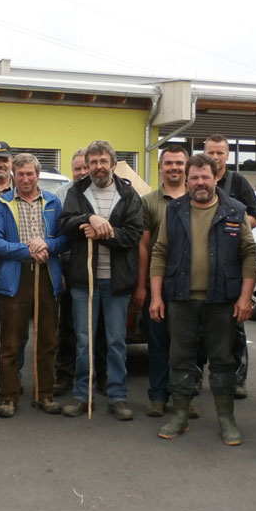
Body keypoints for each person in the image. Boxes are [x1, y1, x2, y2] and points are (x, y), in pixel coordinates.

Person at [149, 154, 256, 444]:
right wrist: (156, 297)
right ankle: (180, 416)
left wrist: (245, 297)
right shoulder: (174, 210)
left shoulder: (235, 210)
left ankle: (226, 419)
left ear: (215, 178)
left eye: (205, 177)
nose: (199, 182)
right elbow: (159, 251)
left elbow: (249, 254)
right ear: (187, 179)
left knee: (223, 361)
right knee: (179, 359)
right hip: (181, 299)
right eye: (194, 177)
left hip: (222, 301)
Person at [59, 140, 143, 420]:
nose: (98, 167)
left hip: (116, 281)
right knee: (84, 341)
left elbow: (133, 235)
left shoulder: (129, 195)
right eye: (93, 162)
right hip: (85, 281)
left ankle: (118, 396)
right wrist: (90, 218)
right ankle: (83, 395)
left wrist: (105, 234)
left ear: (112, 163)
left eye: (102, 161)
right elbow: (66, 223)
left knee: (117, 341)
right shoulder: (77, 191)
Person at [0, 153, 68, 418]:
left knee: (46, 339)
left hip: (47, 277)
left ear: (37, 175)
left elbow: (64, 240)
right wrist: (26, 250)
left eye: (29, 174)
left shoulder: (53, 202)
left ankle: (44, 394)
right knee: (11, 340)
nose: (24, 179)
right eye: (20, 174)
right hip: (15, 277)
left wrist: (47, 244)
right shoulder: (3, 203)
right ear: (13, 176)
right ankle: (8, 396)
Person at [202, 134, 256, 400]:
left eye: (220, 153)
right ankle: (196, 375)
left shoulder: (238, 182)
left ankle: (238, 378)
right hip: (200, 263)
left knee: (235, 325)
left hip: (230, 262)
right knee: (199, 324)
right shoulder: (196, 177)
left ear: (228, 156)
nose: (215, 158)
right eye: (211, 153)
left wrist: (231, 224)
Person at [134, 144, 189, 416]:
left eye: (179, 163)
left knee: (186, 346)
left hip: (191, 287)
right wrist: (142, 287)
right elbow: (144, 246)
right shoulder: (149, 202)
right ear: (161, 167)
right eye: (169, 163)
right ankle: (157, 396)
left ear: (186, 167)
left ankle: (183, 397)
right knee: (157, 344)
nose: (174, 168)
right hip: (158, 284)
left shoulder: (199, 198)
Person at [54, 149, 109, 397]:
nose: (82, 172)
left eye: (84, 168)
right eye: (77, 168)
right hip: (70, 268)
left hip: (99, 268)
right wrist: (59, 272)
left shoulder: (102, 192)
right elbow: (58, 233)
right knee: (68, 327)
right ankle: (65, 375)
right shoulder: (62, 195)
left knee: (100, 329)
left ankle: (102, 377)